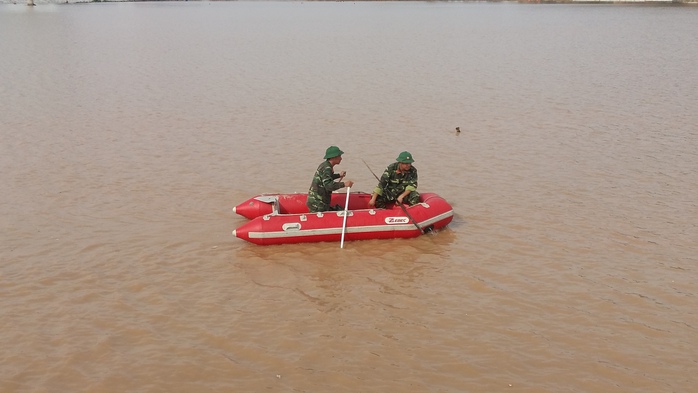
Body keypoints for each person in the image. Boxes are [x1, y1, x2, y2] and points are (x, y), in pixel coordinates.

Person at [307, 146, 355, 213]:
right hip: (318, 203)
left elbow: (326, 177)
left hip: (317, 201)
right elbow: (329, 186)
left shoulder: (325, 165)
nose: (341, 158)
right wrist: (344, 184)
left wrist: (339, 175)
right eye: (339, 156)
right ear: (334, 157)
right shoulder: (327, 168)